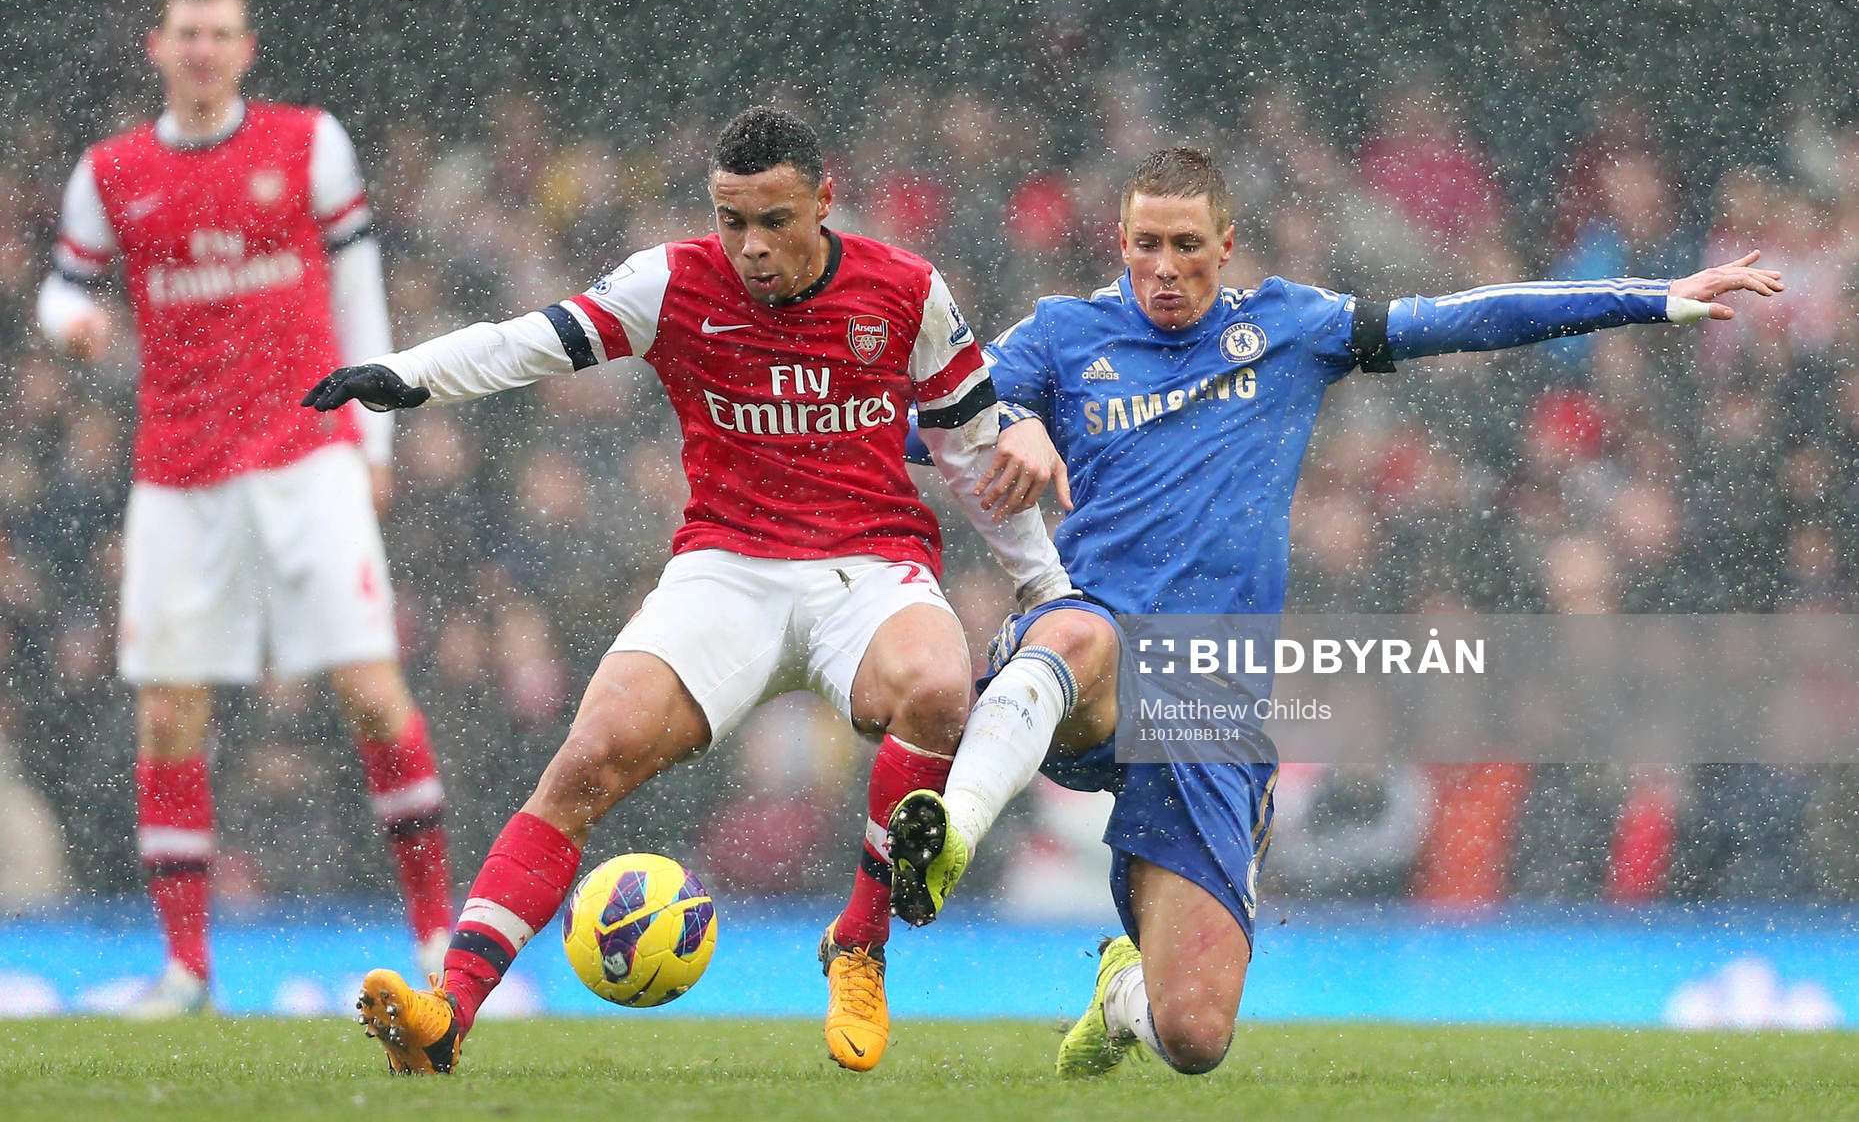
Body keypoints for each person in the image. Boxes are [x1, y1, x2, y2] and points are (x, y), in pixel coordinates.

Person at [883, 147, 1781, 1076]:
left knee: (1194, 1038)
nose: (1163, 266)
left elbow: (1461, 319)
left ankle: (1123, 990)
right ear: (1119, 241)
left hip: (1206, 707)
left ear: (1224, 245)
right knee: (1076, 627)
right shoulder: (1062, 337)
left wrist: (1651, 295)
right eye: (1145, 243)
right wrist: (1006, 419)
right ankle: (951, 832)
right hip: (1089, 666)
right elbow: (918, 424)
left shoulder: (1286, 328)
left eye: (1186, 245)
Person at [304, 105, 1073, 1074]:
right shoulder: (667, 281)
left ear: (825, 201)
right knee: (587, 760)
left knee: (933, 684)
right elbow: (523, 341)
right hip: (726, 571)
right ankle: (447, 1012)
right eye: (730, 219)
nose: (749, 246)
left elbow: (973, 458)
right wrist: (404, 376)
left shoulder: (906, 290)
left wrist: (1041, 583)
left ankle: (859, 944)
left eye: (774, 220)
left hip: (867, 569)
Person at [35, 0, 456, 1018]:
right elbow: (64, 284)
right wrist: (68, 326)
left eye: (220, 32)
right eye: (187, 32)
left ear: (246, 47)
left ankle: (442, 942)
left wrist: (376, 429)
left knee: (370, 690)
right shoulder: (111, 171)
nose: (204, 49)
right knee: (171, 714)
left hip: (308, 453)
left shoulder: (309, 144)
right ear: (157, 46)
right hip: (179, 477)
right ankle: (187, 969)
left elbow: (358, 285)